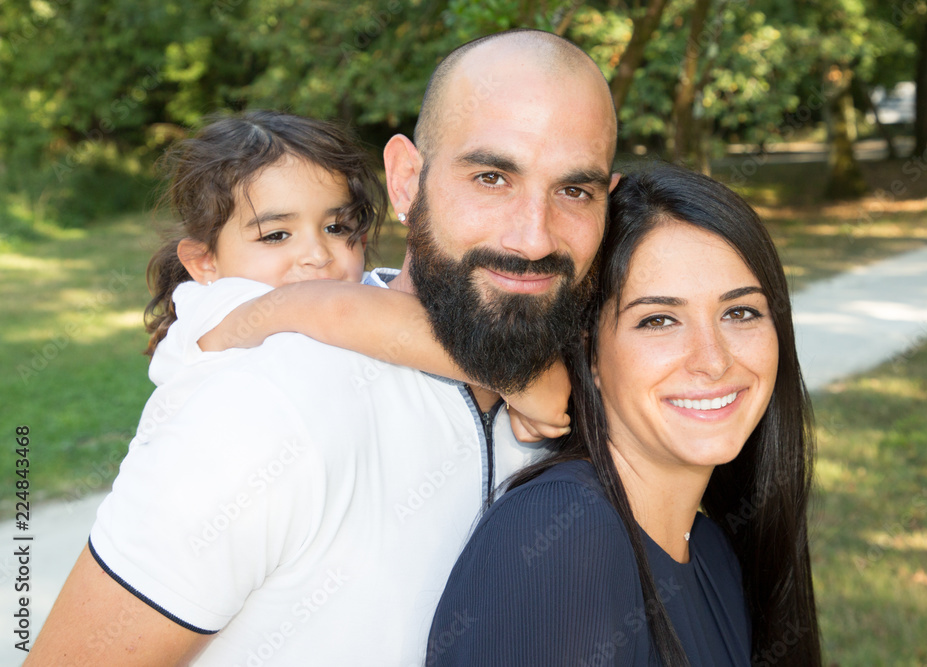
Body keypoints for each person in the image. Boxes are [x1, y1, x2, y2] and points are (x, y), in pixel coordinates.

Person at [26, 29, 619, 666]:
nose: (534, 238)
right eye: (491, 177)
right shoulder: (262, 403)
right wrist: (520, 376)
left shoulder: (602, 392)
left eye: (574, 191)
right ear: (406, 180)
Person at [427, 162, 823, 666]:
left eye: (739, 312)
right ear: (589, 352)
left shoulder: (715, 554)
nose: (714, 360)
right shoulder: (563, 536)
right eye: (659, 320)